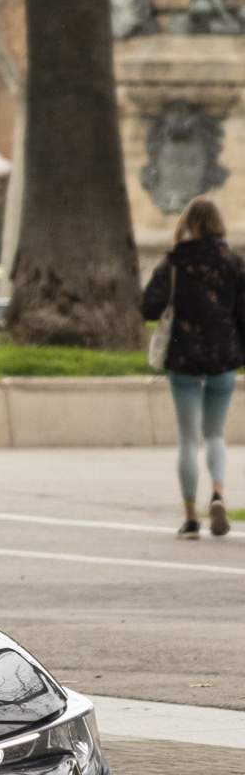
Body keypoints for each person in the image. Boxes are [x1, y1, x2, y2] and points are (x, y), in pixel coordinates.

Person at [140, 195, 245, 538]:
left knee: (188, 439)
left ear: (188, 224)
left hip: (183, 357)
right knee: (215, 435)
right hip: (223, 358)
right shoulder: (233, 263)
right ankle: (217, 492)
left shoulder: (174, 262)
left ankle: (190, 518)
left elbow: (149, 307)